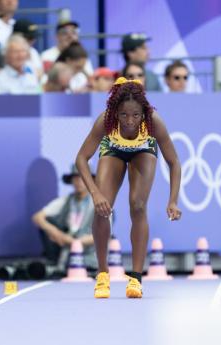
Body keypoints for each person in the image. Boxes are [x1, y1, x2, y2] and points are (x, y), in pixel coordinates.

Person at [75, 77, 182, 298]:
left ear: (144, 114)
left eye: (135, 115)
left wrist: (173, 200)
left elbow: (174, 162)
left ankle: (135, 278)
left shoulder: (154, 121)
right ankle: (103, 274)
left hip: (143, 151)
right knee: (102, 207)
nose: (129, 121)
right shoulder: (106, 120)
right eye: (123, 115)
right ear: (115, 112)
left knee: (138, 205)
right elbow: (81, 159)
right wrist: (94, 194)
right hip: (113, 150)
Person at [32, 164, 97, 274]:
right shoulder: (66, 201)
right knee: (48, 221)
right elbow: (37, 217)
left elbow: (105, 234)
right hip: (65, 248)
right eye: (75, 178)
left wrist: (76, 242)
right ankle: (54, 262)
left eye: (83, 178)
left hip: (89, 253)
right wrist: (57, 234)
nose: (79, 181)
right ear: (71, 181)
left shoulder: (99, 202)